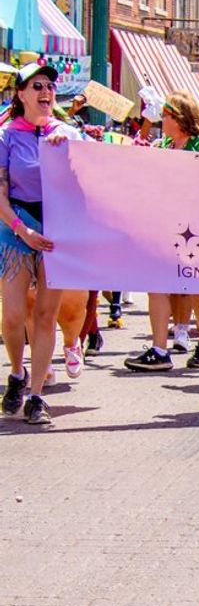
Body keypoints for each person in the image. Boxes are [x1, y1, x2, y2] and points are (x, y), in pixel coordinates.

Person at [0, 62, 85, 425]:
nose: (45, 91)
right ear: (20, 94)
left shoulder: (69, 134)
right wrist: (22, 231)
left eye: (49, 85)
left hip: (57, 231)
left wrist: (68, 152)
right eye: (36, 86)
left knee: (46, 314)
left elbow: (93, 179)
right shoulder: (6, 137)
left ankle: (36, 395)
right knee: (13, 315)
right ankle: (16, 373)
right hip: (17, 228)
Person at [123, 92, 199, 374]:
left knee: (198, 287)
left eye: (165, 116)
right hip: (164, 224)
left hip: (197, 226)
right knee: (157, 284)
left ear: (180, 118)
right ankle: (159, 349)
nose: (162, 121)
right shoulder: (162, 146)